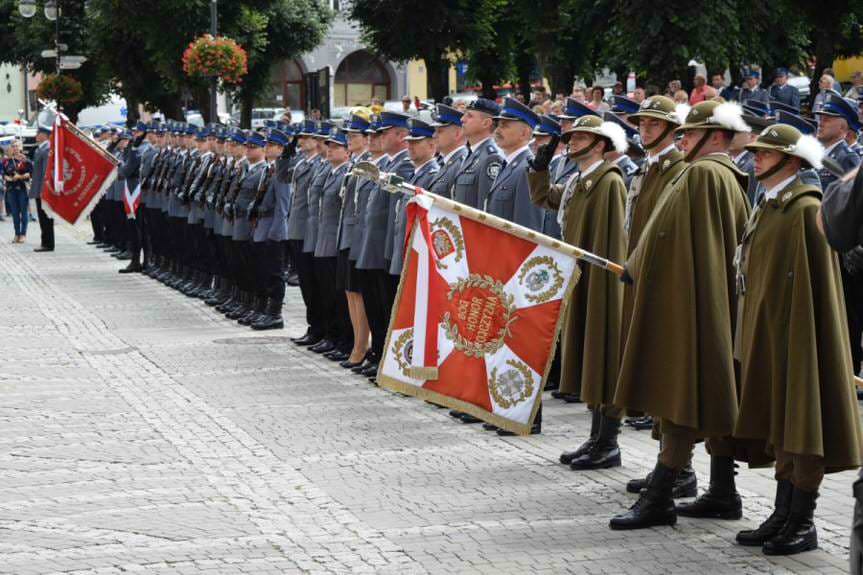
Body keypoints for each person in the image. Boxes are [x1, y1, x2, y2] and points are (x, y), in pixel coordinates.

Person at [609, 100, 751, 530]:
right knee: (712, 390)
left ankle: (661, 495)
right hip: (707, 301)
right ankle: (723, 490)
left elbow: (668, 239)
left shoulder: (704, 174)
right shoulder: (722, 176)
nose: (682, 137)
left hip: (689, 302)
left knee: (684, 394)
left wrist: (643, 274)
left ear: (716, 137)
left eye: (692, 132)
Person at [732, 123, 862, 555]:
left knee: (802, 424)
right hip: (771, 332)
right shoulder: (770, 204)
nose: (756, 158)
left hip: (798, 336)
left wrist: (801, 340)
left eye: (766, 153)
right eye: (755, 151)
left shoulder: (805, 207)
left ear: (791, 160)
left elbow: (814, 289)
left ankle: (803, 520)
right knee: (780, 421)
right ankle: (782, 511)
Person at [528, 113, 628, 454]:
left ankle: (608, 441)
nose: (572, 142)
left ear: (600, 145)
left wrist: (602, 287)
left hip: (598, 281)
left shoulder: (608, 180)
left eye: (581, 138)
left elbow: (611, 240)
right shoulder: (578, 179)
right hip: (580, 276)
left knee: (602, 356)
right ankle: (596, 436)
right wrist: (539, 169)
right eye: (572, 137)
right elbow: (545, 199)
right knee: (588, 356)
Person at [615, 95, 693, 498]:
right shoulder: (649, 168)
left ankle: (680, 468)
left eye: (652, 124)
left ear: (670, 130)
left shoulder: (677, 169)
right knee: (656, 371)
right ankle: (668, 461)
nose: (644, 129)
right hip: (641, 276)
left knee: (669, 372)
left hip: (662, 280)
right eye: (641, 124)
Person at [486, 97, 544, 231]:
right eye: (498, 125)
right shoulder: (508, 164)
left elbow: (528, 230)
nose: (497, 131)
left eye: (505, 125)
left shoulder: (528, 169)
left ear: (524, 133)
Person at [427, 103, 468, 198]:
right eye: (435, 131)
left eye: (440, 131)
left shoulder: (461, 163)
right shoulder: (444, 161)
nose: (434, 135)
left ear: (458, 134)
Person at [2, 142, 32, 243]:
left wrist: (20, 176)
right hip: (11, 189)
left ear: (21, 147)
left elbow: (30, 173)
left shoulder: (25, 160)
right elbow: (3, 174)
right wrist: (8, 178)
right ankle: (17, 234)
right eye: (13, 146)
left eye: (17, 146)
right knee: (14, 213)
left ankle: (23, 234)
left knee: (24, 212)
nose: (15, 148)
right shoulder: (7, 161)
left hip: (22, 189)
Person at [30, 126, 52, 251]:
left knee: (45, 217)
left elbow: (46, 171)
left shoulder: (47, 148)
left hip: (43, 188)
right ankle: (46, 242)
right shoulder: (41, 148)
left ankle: (48, 243)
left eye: (39, 133)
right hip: (39, 187)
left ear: (45, 135)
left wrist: (45, 189)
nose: (36, 135)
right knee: (42, 217)